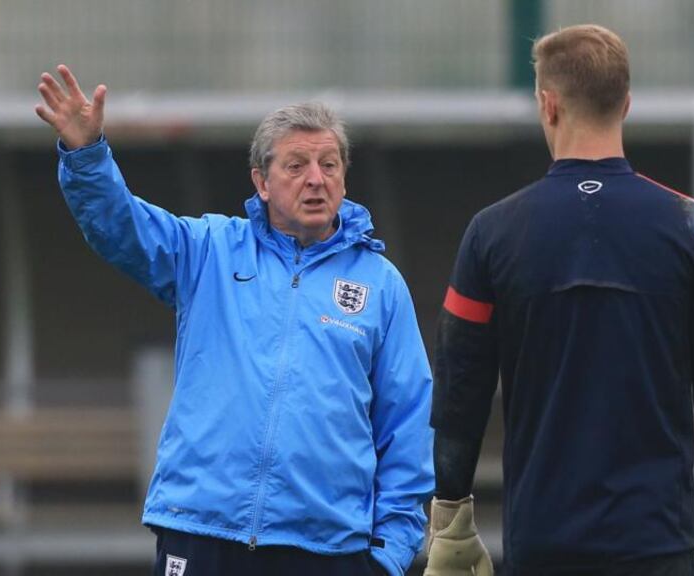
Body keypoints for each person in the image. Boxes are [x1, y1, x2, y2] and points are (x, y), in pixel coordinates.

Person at [35, 65, 433, 576]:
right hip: (202, 529)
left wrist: (390, 555)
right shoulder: (210, 250)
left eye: (329, 165)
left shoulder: (380, 284)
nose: (316, 179)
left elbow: (407, 421)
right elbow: (122, 226)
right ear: (261, 182)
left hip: (326, 547)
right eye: (296, 165)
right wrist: (87, 156)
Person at [424, 25, 694, 576]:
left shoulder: (491, 232)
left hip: (542, 540)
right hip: (657, 541)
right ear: (626, 103)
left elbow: (460, 394)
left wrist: (450, 518)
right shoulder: (693, 227)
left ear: (548, 103)